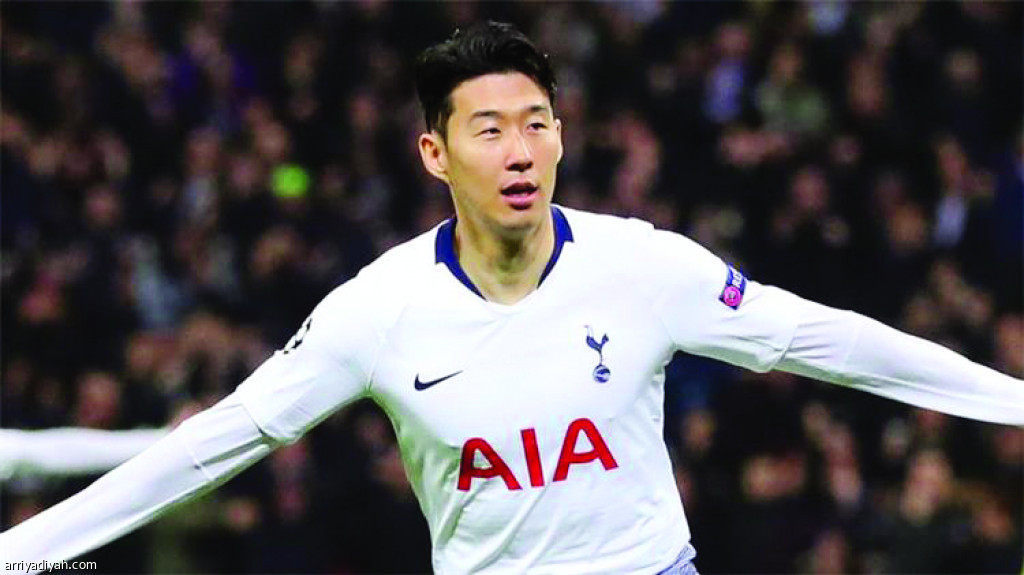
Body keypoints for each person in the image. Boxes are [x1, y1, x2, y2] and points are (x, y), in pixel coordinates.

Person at [1, 21, 1021, 575]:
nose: (520, 148)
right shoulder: (375, 311)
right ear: (434, 153)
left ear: (562, 136)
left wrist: (1013, 399)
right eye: (488, 129)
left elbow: (826, 339)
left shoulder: (643, 266)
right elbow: (215, 441)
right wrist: (22, 554)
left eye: (536, 122)